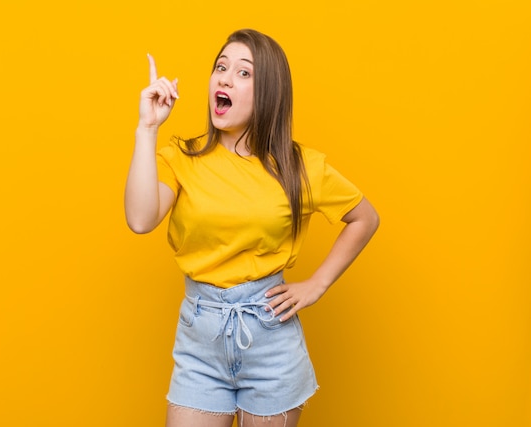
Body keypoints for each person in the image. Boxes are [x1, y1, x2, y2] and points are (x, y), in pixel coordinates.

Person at [125, 29, 379, 427]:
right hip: (200, 340)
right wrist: (147, 129)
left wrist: (317, 285)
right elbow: (140, 219)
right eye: (221, 68)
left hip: (270, 337)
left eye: (244, 73)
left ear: (269, 94)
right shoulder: (183, 158)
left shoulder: (298, 167)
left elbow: (365, 217)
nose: (224, 78)